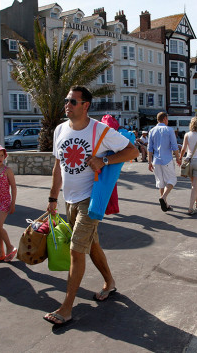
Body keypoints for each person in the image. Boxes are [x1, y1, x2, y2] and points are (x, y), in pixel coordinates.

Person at [44, 85, 138, 326]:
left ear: (85, 105)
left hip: (90, 199)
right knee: (91, 243)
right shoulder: (59, 130)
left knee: (77, 249)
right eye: (66, 100)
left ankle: (66, 308)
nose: (67, 104)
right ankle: (110, 282)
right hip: (69, 199)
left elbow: (132, 151)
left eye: (73, 101)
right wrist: (53, 199)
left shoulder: (99, 130)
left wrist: (104, 159)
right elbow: (58, 167)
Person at [148, 112, 182, 212]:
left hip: (156, 160)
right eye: (167, 119)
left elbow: (149, 148)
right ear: (164, 119)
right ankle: (163, 198)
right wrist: (178, 158)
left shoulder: (152, 131)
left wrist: (149, 162)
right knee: (172, 180)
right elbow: (175, 146)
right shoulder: (169, 130)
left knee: (161, 183)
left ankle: (165, 203)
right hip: (166, 159)